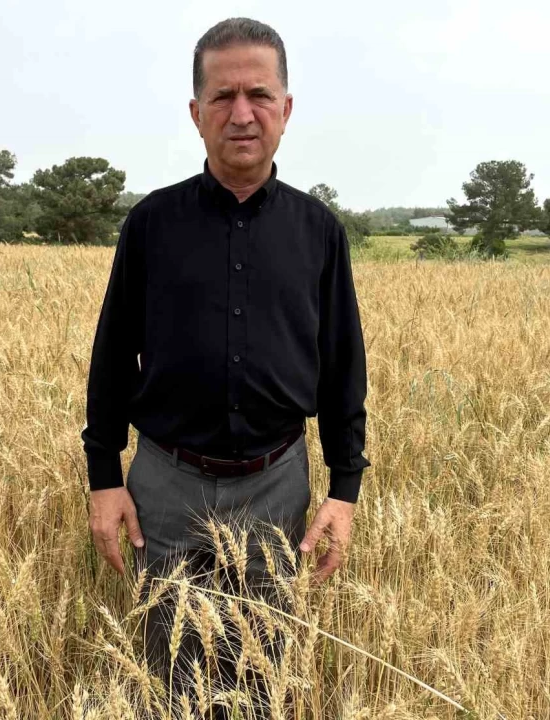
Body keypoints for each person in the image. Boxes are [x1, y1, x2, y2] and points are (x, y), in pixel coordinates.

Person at [81, 16, 369, 709]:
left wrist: (344, 489)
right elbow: (113, 353)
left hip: (276, 482)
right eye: (223, 97)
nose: (242, 114)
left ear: (286, 109)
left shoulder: (319, 232)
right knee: (171, 675)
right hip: (166, 485)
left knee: (263, 674)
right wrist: (103, 477)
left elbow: (342, 364)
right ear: (196, 112)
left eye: (259, 95)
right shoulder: (151, 224)